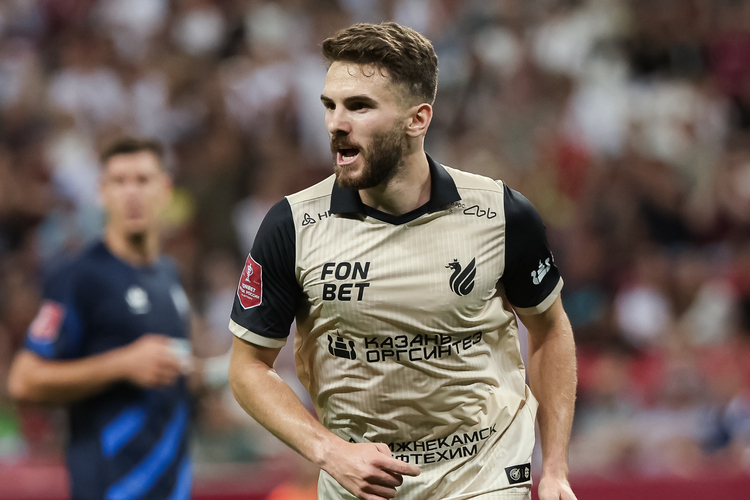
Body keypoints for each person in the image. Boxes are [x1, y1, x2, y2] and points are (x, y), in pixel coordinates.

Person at [228, 22, 578, 500]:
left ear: (418, 119)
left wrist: (555, 467)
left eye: (359, 106)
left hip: (483, 476)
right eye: (330, 105)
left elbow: (550, 330)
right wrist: (329, 451)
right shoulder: (292, 225)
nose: (336, 124)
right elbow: (248, 367)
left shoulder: (500, 213)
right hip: (361, 483)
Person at [8, 138, 194, 500]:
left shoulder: (169, 276)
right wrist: (122, 364)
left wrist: (199, 373)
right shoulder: (79, 277)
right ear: (101, 192)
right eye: (119, 182)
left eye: (142, 180)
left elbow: (160, 377)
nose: (131, 193)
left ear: (165, 190)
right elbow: (24, 380)